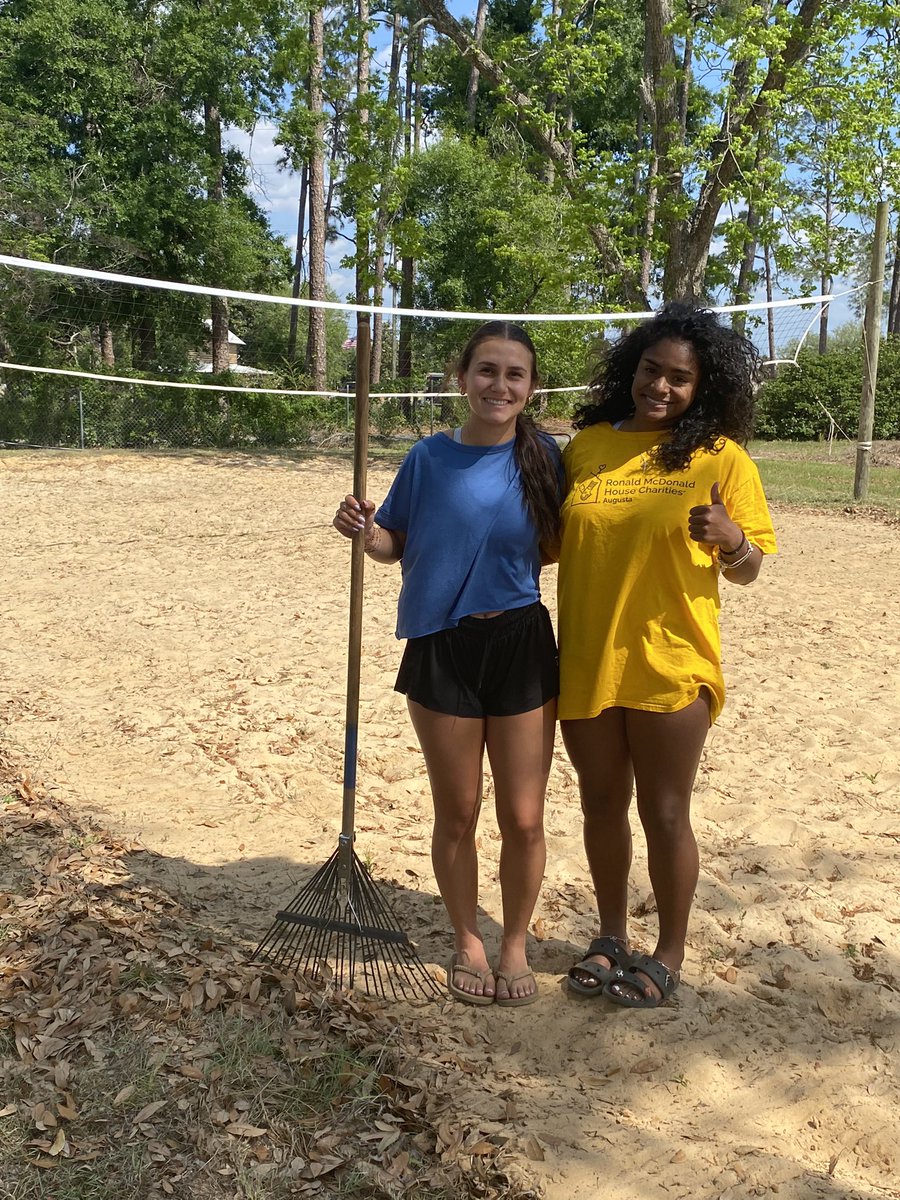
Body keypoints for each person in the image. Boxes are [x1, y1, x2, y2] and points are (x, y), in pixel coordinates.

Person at [333, 321, 562, 1007]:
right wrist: (364, 529)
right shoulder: (428, 458)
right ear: (462, 380)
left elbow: (553, 547)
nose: (499, 385)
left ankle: (514, 943)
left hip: (521, 643)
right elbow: (391, 544)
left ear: (529, 388)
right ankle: (467, 938)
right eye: (486, 371)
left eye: (514, 374)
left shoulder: (545, 456)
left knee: (524, 817)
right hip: (440, 645)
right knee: (457, 812)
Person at [557, 302, 777, 1009]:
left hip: (672, 660)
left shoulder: (721, 458)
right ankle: (611, 935)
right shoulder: (587, 445)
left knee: (666, 810)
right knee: (599, 806)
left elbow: (750, 568)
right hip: (588, 656)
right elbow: (546, 539)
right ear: (634, 368)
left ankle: (670, 952)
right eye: (652, 370)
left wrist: (731, 538)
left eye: (679, 378)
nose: (660, 386)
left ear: (700, 387)